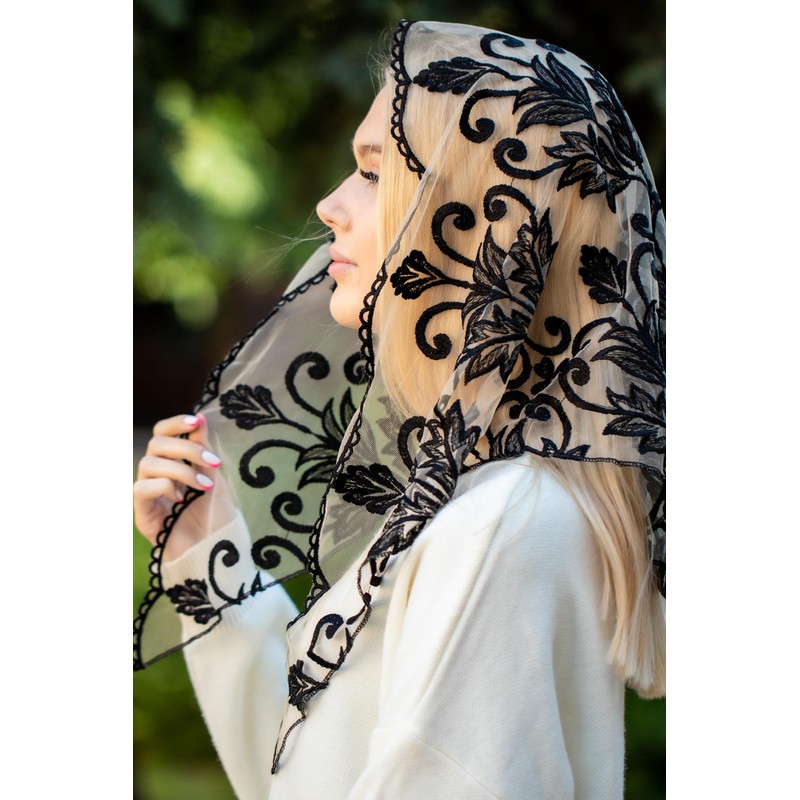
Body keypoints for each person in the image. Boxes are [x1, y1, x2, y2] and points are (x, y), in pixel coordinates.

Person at [133, 19, 665, 800]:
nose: (329, 205)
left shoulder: (502, 523)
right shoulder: (486, 497)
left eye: (374, 172)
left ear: (478, 218)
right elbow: (311, 775)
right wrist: (204, 545)